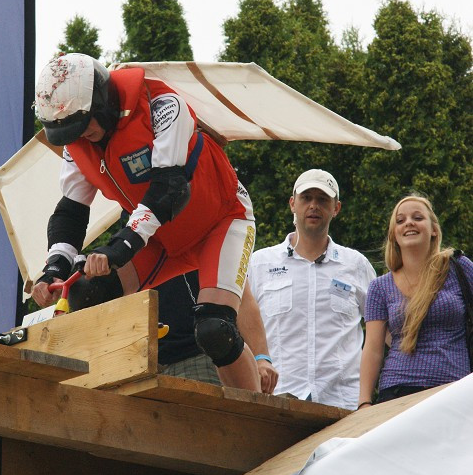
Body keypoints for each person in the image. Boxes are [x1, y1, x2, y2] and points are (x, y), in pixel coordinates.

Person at [31, 53, 261, 391]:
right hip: (162, 237)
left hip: (221, 221)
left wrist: (120, 246)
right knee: (87, 292)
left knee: (214, 330)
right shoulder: (76, 142)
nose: (80, 136)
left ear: (103, 102)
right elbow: (71, 210)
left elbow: (169, 190)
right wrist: (54, 268)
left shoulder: (163, 105)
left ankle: (254, 416)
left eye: (83, 125)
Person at [242, 169, 376, 409]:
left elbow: (383, 329)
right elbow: (238, 325)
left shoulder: (356, 265)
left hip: (344, 403)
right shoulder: (259, 264)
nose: (314, 205)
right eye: (306, 198)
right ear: (293, 204)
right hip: (278, 400)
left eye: (323, 199)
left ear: (336, 208)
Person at [358, 196, 473, 407]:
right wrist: (364, 403)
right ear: (394, 234)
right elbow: (373, 349)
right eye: (400, 221)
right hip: (397, 394)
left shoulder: (460, 268)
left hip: (455, 391)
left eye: (417, 217)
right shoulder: (379, 287)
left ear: (434, 230)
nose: (409, 222)